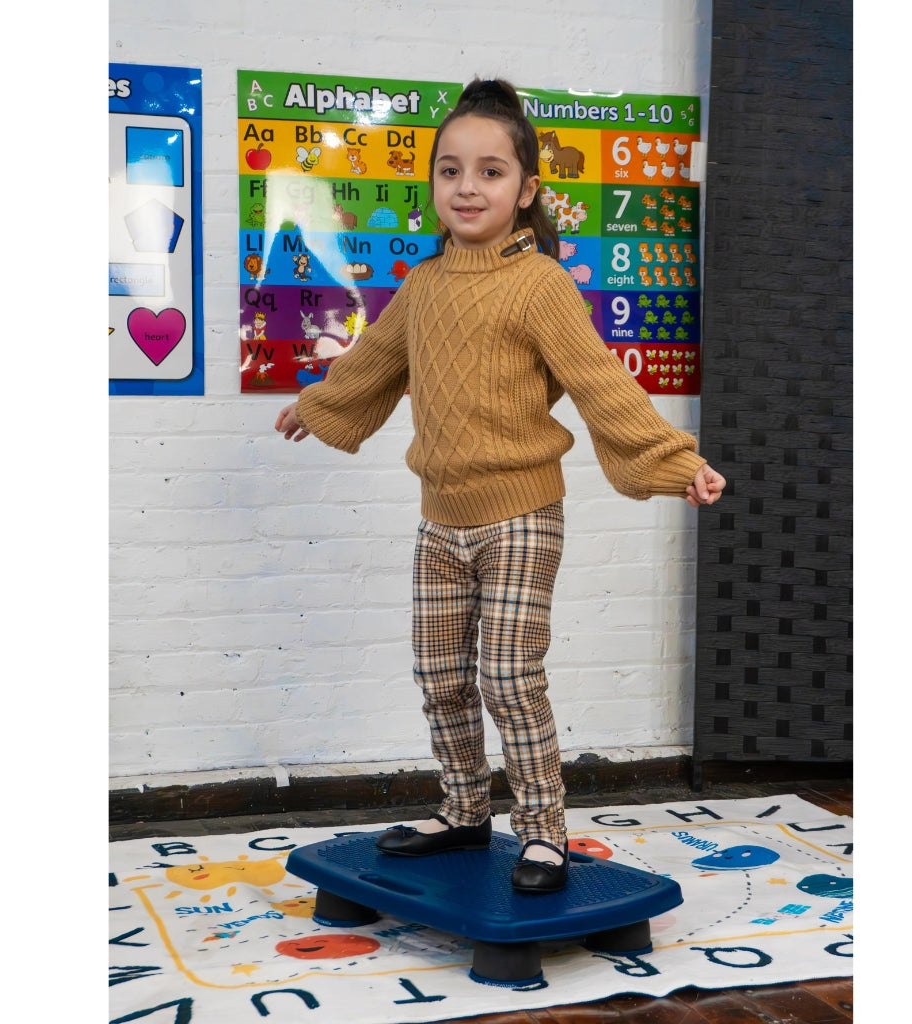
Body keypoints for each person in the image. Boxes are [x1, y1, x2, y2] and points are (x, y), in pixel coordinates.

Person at [275, 78, 725, 893]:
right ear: (435, 185)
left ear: (527, 189)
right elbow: (374, 361)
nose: (467, 186)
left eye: (489, 171)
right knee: (440, 673)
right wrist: (320, 405)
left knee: (509, 676)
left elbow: (600, 382)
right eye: (451, 171)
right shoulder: (423, 286)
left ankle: (544, 830)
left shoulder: (540, 283)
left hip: (522, 512)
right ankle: (463, 809)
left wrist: (674, 460)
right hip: (438, 520)